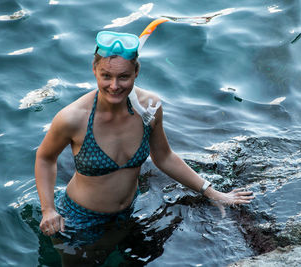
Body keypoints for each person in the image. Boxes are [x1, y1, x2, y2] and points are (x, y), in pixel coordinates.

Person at [35, 30, 254, 265]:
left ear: (136, 72)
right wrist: (48, 210)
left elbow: (164, 156)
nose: (114, 85)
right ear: (94, 70)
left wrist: (213, 193)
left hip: (127, 212)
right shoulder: (72, 118)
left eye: (124, 77)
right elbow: (45, 158)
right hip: (79, 220)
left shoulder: (148, 108)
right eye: (106, 76)